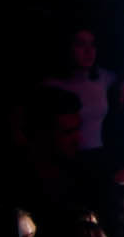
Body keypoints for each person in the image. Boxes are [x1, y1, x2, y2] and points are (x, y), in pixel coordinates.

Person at [44, 24, 117, 152]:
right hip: (67, 156)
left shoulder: (102, 77)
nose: (89, 51)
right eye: (80, 44)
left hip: (99, 152)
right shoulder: (51, 85)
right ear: (67, 48)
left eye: (92, 44)